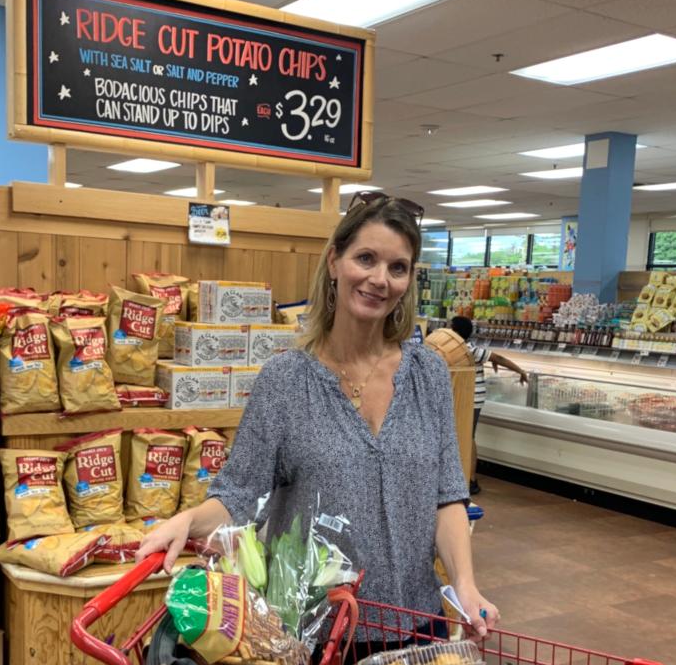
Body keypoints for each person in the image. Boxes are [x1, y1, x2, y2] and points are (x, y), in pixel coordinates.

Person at [138, 192, 500, 640]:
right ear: (334, 262)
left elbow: (447, 496)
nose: (379, 279)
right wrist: (187, 521)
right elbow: (238, 493)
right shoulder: (286, 381)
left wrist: (465, 586)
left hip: (418, 626)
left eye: (397, 267)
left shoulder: (428, 374)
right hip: (317, 637)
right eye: (365, 259)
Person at [448, 314, 528, 495]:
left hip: (470, 399)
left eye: (449, 328)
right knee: (462, 437)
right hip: (461, 398)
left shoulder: (467, 350)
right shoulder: (457, 350)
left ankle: (471, 480)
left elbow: (498, 358)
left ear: (455, 331)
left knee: (467, 437)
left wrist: (520, 371)